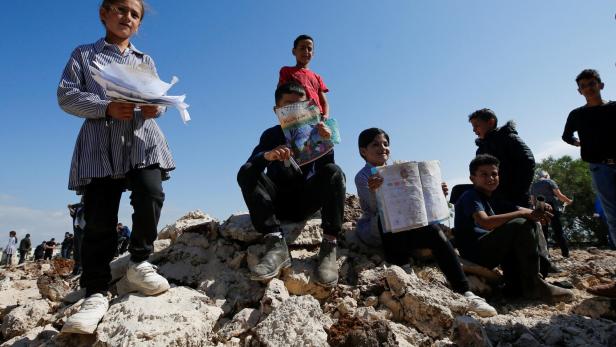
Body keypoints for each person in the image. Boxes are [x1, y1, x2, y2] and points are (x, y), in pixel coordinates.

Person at [57, 0, 172, 334]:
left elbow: (157, 99)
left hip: (141, 139)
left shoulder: (144, 60)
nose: (128, 17)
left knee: (151, 192)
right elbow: (66, 96)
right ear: (103, 14)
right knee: (99, 217)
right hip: (100, 141)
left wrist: (155, 109)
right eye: (121, 9)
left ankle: (139, 261)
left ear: (139, 24)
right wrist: (106, 107)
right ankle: (95, 291)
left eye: (135, 14)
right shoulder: (83, 54)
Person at [354, 128, 497, 317]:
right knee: (386, 215)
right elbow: (373, 208)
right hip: (380, 228)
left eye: (386, 144)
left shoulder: (399, 170)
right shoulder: (363, 176)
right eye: (375, 144)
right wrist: (374, 191)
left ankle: (466, 292)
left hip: (406, 226)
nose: (383, 148)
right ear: (363, 151)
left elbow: (416, 202)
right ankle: (403, 269)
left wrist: (437, 192)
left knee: (434, 231)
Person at [237, 82, 345, 287]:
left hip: (306, 202)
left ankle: (329, 244)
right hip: (277, 201)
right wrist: (267, 156)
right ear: (277, 110)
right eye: (288, 105)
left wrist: (326, 143)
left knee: (335, 172)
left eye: (301, 105)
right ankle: (276, 243)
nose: (295, 111)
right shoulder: (271, 134)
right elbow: (250, 167)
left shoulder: (317, 131)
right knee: (246, 172)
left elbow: (328, 174)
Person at [454, 154, 573, 302]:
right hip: (474, 252)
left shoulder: (494, 199)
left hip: (489, 250)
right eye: (484, 174)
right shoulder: (470, 195)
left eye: (494, 174)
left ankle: (517, 284)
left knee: (527, 223)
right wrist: (523, 213)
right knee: (519, 223)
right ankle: (533, 285)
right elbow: (485, 222)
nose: (490, 178)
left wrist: (538, 210)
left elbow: (522, 210)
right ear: (473, 178)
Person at [562, 69, 616, 298]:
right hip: (599, 168)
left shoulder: (614, 107)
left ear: (601, 85)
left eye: (592, 84)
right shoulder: (577, 114)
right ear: (579, 91)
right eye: (584, 85)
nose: (589, 88)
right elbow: (566, 136)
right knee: (614, 218)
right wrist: (580, 144)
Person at [468, 108, 535, 208]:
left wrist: (517, 191)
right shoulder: (481, 150)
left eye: (477, 126)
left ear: (490, 122)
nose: (474, 130)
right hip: (495, 199)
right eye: (473, 127)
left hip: (517, 199)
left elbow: (527, 162)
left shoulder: (508, 138)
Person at [278, 35, 329, 119]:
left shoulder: (317, 77)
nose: (306, 51)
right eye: (302, 48)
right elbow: (280, 95)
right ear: (294, 51)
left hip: (318, 117)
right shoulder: (286, 71)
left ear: (313, 53)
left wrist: (326, 115)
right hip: (297, 116)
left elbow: (324, 102)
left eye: (309, 49)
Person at [530, 171, 573, 257]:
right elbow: (559, 195)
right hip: (551, 206)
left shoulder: (534, 185)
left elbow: (532, 200)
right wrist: (568, 201)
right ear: (546, 175)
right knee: (558, 230)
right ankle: (565, 253)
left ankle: (546, 254)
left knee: (543, 231)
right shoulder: (550, 181)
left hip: (539, 206)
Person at [68, 201, 86, 275]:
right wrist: (70, 208)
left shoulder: (87, 207)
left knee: (82, 249)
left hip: (83, 230)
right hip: (76, 230)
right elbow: (73, 214)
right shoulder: (78, 208)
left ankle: (82, 267)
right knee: (76, 249)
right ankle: (77, 266)